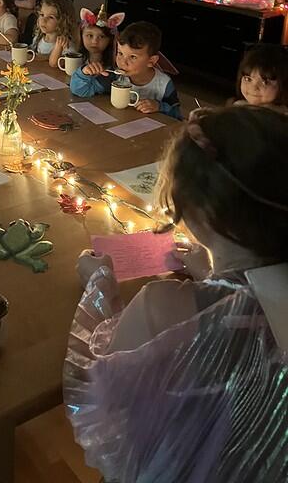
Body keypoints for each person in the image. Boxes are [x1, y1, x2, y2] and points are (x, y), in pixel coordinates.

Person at [64, 106, 288, 483]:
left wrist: (99, 285)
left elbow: (96, 388)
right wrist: (212, 275)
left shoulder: (163, 306)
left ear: (199, 212)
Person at [70, 21, 182, 120]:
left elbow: (176, 116)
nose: (123, 62)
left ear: (151, 61)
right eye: (120, 53)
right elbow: (80, 91)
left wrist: (159, 106)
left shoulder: (164, 84)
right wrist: (84, 73)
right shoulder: (114, 76)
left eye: (133, 57)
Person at [32, 0, 80, 68]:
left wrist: (58, 48)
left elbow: (54, 64)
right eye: (42, 15)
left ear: (63, 21)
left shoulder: (66, 45)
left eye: (51, 17)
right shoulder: (38, 38)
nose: (43, 20)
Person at [79, 5, 125, 69]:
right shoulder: (75, 60)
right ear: (82, 35)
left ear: (110, 39)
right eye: (90, 35)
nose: (95, 41)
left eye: (102, 36)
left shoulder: (117, 65)